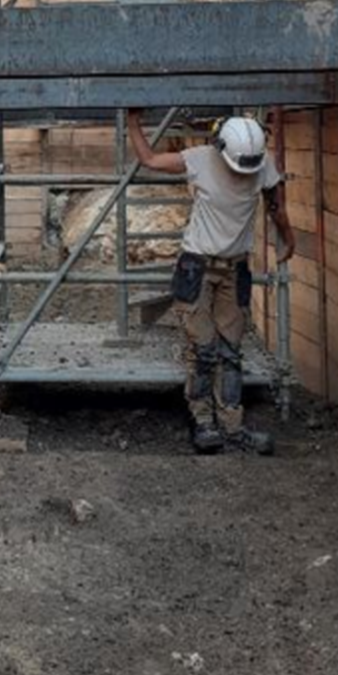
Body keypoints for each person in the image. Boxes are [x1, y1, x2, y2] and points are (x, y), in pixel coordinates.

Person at [127, 112, 295, 456]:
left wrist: (288, 238)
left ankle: (233, 428)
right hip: (197, 268)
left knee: (230, 351)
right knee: (203, 349)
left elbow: (276, 204)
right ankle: (203, 422)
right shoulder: (201, 159)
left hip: (235, 270)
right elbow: (150, 160)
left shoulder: (260, 163)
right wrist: (132, 122)